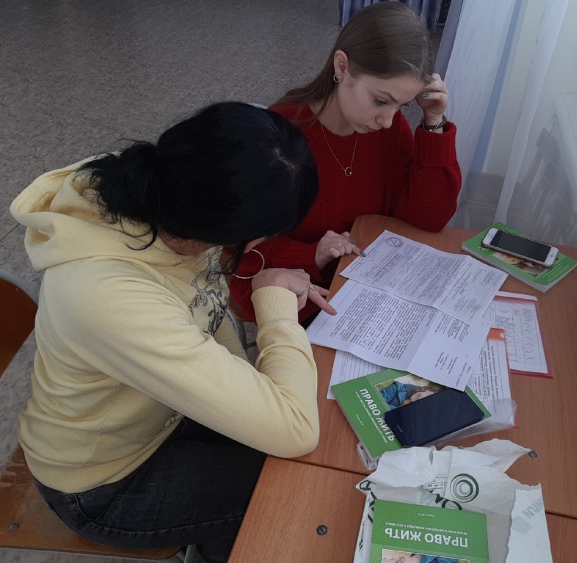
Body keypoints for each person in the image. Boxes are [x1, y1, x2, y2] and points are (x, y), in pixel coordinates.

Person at [9, 102, 334, 563]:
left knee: (304, 458)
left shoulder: (163, 192)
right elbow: (295, 430)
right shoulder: (108, 295)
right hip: (102, 483)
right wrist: (276, 307)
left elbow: (207, 315)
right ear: (231, 231)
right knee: (294, 490)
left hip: (155, 417)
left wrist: (254, 388)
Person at [229, 1, 461, 324]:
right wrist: (312, 254)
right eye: (381, 100)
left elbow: (428, 217)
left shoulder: (388, 129)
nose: (388, 120)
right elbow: (240, 258)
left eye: (402, 105)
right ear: (342, 67)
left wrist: (433, 123)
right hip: (307, 301)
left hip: (371, 293)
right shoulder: (280, 136)